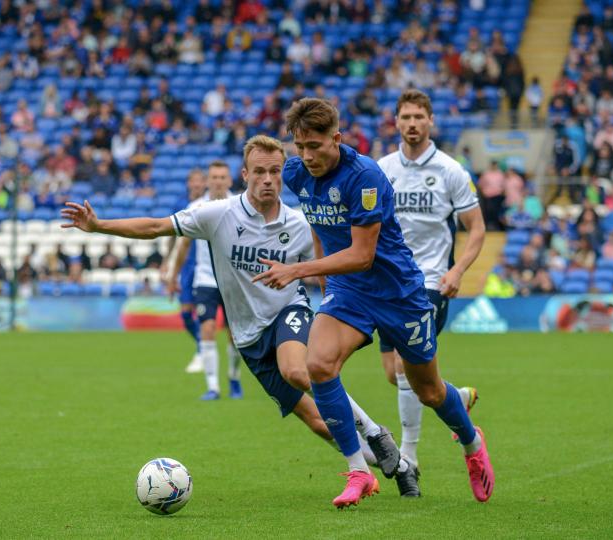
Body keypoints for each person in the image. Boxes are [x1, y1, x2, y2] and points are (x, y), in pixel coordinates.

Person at [60, 135, 406, 493]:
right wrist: (100, 226)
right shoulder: (218, 214)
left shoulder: (300, 224)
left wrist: (337, 298)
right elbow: (155, 226)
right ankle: (395, 463)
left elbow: (323, 265)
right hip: (248, 337)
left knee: (298, 370)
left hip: (288, 311)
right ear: (245, 174)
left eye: (275, 171)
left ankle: (375, 433)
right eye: (259, 172)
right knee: (319, 424)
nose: (268, 179)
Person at [253, 98, 494, 508]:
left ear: (337, 139)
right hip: (350, 292)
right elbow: (318, 222)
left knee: (429, 391)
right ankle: (359, 471)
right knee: (318, 365)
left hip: (400, 294)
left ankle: (472, 443)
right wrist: (327, 282)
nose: (307, 156)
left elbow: (363, 255)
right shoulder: (296, 172)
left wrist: (299, 269)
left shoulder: (365, 176)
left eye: (315, 145)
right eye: (299, 146)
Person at [376, 90, 485, 473]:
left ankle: (409, 456)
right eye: (405, 117)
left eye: (418, 117)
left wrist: (456, 271)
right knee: (400, 377)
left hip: (430, 282)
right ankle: (457, 396)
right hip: (387, 282)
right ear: (396, 122)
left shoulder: (451, 171)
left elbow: (477, 229)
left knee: (407, 370)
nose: (412, 124)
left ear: (430, 121)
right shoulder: (382, 169)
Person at [167, 161, 242, 400]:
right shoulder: (196, 207)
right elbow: (184, 245)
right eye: (214, 177)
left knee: (235, 337)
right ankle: (213, 387)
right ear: (207, 181)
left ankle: (233, 378)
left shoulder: (240, 205)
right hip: (205, 280)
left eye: (223, 177)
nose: (218, 181)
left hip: (233, 281)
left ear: (230, 181)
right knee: (207, 330)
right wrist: (173, 276)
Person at [162, 169, 206, 373]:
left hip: (207, 263)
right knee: (186, 313)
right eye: (194, 181)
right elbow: (171, 234)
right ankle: (201, 346)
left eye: (200, 181)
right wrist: (166, 261)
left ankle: (205, 350)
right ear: (189, 183)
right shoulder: (181, 205)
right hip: (187, 264)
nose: (197, 185)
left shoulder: (210, 204)